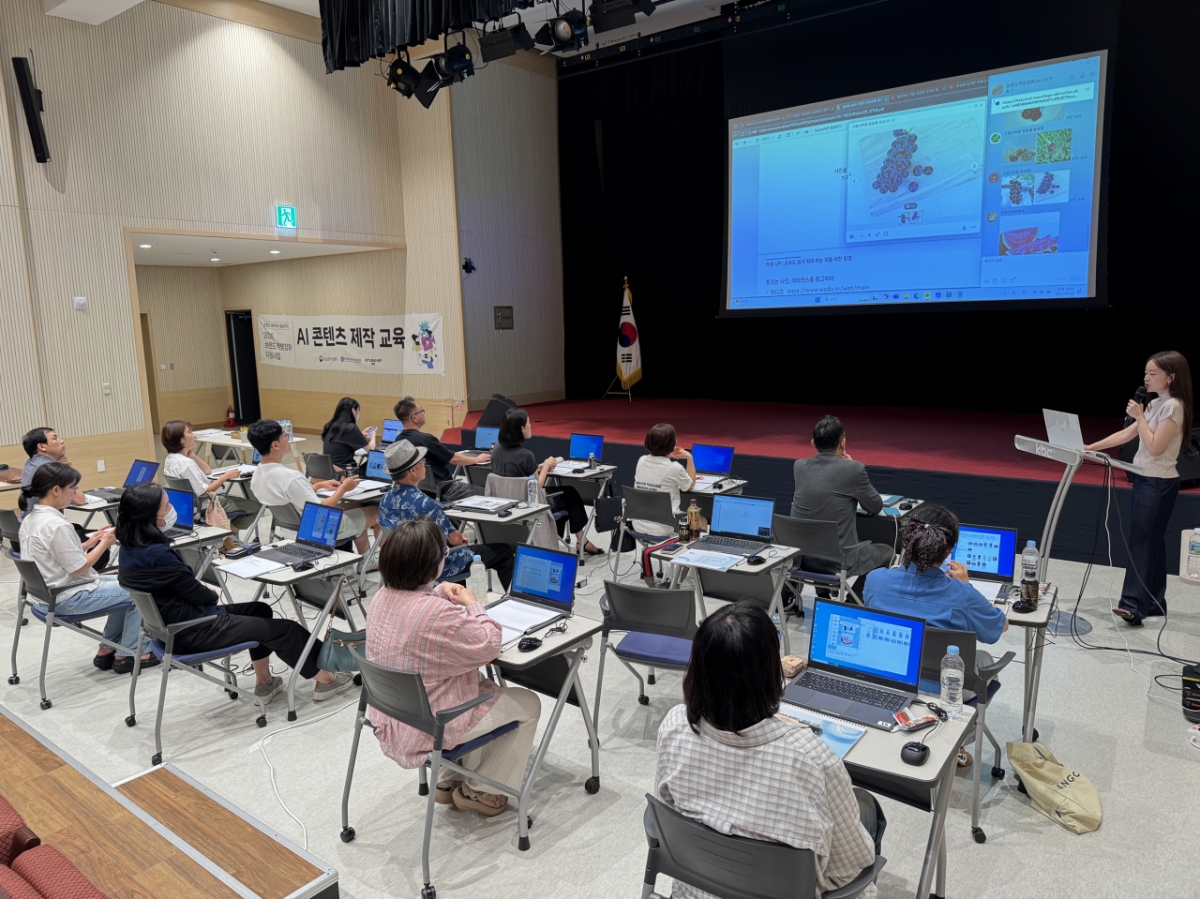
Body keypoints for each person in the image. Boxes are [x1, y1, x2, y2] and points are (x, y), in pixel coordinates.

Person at [656, 601, 882, 899]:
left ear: (697, 668)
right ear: (771, 672)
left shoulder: (674, 725)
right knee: (868, 811)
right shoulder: (811, 757)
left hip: (694, 891)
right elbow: (849, 872)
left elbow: (668, 813)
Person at [115, 483, 354, 702]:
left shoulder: (130, 548)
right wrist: (206, 593)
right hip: (196, 630)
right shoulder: (158, 554)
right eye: (166, 506)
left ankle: (265, 682)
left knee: (260, 609)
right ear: (148, 516)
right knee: (287, 630)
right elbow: (204, 596)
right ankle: (325, 680)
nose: (171, 510)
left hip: (175, 626)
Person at [365, 520, 541, 816]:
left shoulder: (381, 597)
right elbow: (488, 645)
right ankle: (483, 791)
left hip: (393, 716)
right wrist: (473, 604)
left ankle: (451, 778)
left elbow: (417, 615)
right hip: (431, 728)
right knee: (527, 704)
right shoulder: (435, 614)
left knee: (482, 687)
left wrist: (436, 591)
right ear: (434, 566)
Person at [1085, 350, 1194, 625]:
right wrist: (1089, 447)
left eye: (1152, 374)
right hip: (1146, 478)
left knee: (1142, 542)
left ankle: (1132, 605)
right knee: (1152, 543)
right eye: (1145, 373)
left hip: (1159, 481)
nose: (1146, 378)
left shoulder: (1174, 406)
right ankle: (1154, 603)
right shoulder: (1156, 403)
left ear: (1171, 377)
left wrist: (1141, 417)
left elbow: (1155, 447)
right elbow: (1128, 433)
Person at [17, 463, 156, 675]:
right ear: (56, 490)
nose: (75, 493)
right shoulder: (56, 524)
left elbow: (55, 555)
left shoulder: (31, 518)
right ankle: (130, 653)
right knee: (142, 591)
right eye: (72, 488)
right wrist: (106, 542)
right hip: (66, 597)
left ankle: (108, 648)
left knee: (129, 581)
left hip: (48, 595)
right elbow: (79, 568)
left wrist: (89, 543)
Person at [863, 504, 1008, 644]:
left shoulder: (874, 581)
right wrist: (965, 585)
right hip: (942, 668)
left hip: (888, 667)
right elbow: (1001, 626)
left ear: (907, 542)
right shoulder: (964, 596)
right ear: (949, 550)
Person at [377, 440, 514, 588]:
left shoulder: (385, 499)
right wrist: (461, 537)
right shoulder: (426, 504)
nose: (425, 463)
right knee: (504, 552)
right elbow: (455, 539)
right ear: (413, 471)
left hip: (406, 567)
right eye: (422, 461)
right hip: (436, 566)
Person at [791, 415, 893, 597]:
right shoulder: (854, 469)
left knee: (818, 536)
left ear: (813, 443)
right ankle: (852, 603)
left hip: (801, 557)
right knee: (888, 552)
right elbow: (874, 506)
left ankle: (823, 596)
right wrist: (851, 465)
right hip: (838, 559)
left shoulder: (799, 466)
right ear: (843, 443)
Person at [247, 420, 378, 554]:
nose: (287, 438)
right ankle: (376, 561)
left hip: (291, 530)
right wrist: (343, 488)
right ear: (275, 445)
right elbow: (320, 511)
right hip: (318, 530)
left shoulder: (256, 475)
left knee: (357, 506)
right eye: (284, 435)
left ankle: (365, 557)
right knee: (378, 511)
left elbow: (291, 498)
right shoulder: (291, 477)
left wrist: (319, 485)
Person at [490, 408, 604, 554]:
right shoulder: (525, 455)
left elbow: (512, 476)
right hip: (527, 503)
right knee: (571, 494)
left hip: (506, 502)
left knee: (567, 495)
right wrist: (546, 466)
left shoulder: (497, 450)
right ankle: (582, 541)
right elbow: (537, 486)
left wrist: (536, 469)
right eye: (529, 423)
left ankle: (580, 540)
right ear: (520, 428)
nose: (531, 426)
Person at [16, 427, 109, 568]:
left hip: (28, 530)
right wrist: (65, 472)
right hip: (44, 534)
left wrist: (63, 470)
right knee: (101, 550)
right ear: (42, 446)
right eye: (54, 438)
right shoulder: (48, 468)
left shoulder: (31, 463)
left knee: (80, 531)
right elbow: (80, 500)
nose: (61, 441)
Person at [161, 419, 261, 524]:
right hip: (207, 505)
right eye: (189, 432)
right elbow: (204, 492)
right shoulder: (186, 464)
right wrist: (225, 476)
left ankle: (230, 537)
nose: (194, 435)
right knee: (256, 508)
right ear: (180, 440)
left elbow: (208, 471)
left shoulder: (171, 459)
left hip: (190, 506)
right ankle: (231, 536)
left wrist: (192, 455)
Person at [394, 396, 488, 502]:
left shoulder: (398, 440)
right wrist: (477, 459)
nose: (424, 413)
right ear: (414, 418)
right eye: (421, 410)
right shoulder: (426, 439)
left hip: (420, 491)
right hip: (444, 490)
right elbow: (453, 459)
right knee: (486, 492)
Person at [631, 423, 696, 538]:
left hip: (638, 525)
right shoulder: (674, 468)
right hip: (664, 528)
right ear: (673, 443)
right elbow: (690, 484)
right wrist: (689, 458)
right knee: (700, 519)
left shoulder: (641, 461)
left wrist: (667, 455)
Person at [321, 397, 376, 470]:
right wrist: (373, 436)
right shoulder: (350, 427)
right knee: (374, 463)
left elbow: (342, 440)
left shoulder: (331, 425)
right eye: (358, 411)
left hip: (330, 470)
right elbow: (371, 450)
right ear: (353, 410)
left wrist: (361, 434)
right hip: (346, 472)